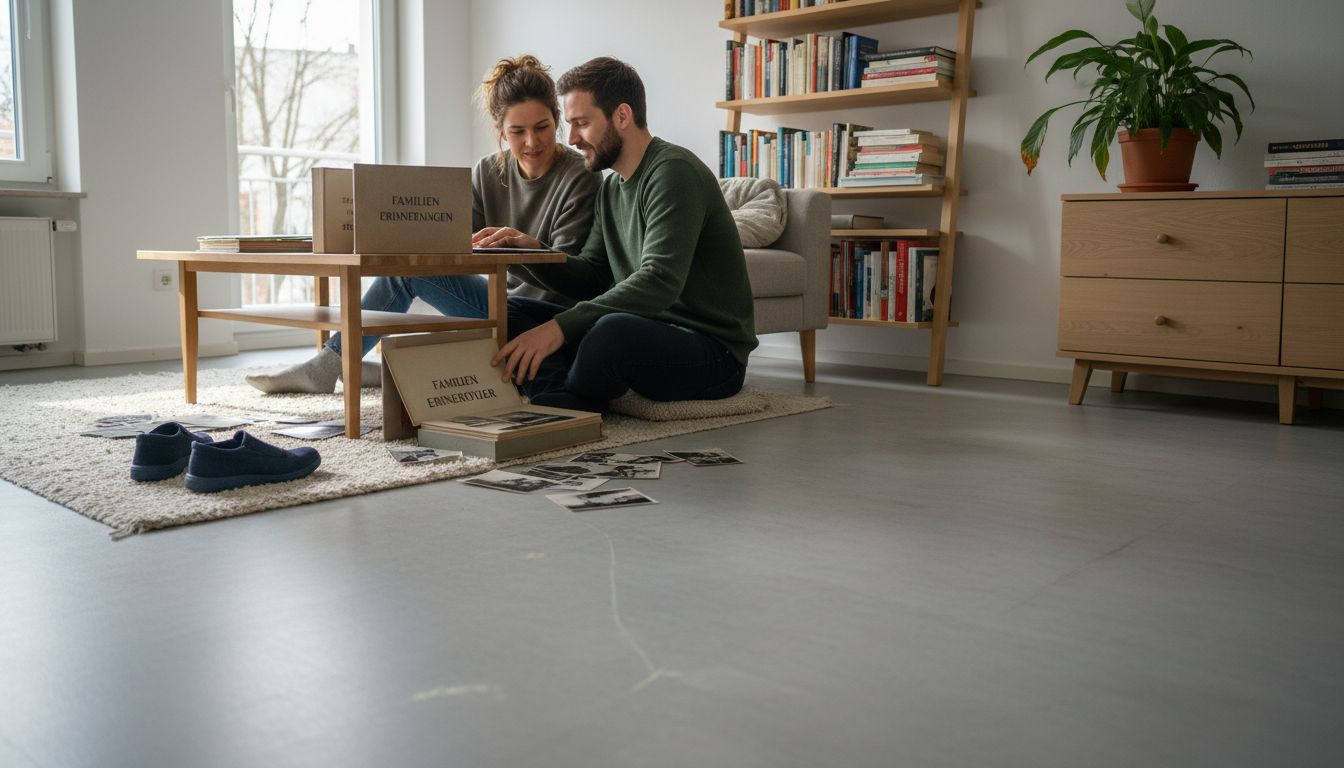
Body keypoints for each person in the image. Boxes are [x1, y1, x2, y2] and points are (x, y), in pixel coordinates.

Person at [246, 54, 601, 394]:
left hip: (546, 316)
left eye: (542, 127)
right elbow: (460, 247)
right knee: (405, 265)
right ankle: (353, 363)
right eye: (517, 131)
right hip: (498, 303)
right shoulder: (487, 171)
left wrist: (518, 248)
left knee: (408, 275)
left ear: (558, 120)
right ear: (500, 131)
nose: (531, 142)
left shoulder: (580, 176)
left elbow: (567, 274)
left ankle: (334, 363)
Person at [492, 57, 757, 414]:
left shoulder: (673, 172)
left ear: (621, 116)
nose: (570, 139)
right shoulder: (612, 186)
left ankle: (565, 396)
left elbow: (659, 281)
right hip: (647, 331)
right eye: (570, 125)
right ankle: (560, 401)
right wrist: (531, 252)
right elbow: (594, 274)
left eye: (581, 124)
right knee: (506, 311)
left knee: (609, 334)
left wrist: (560, 327)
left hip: (712, 352)